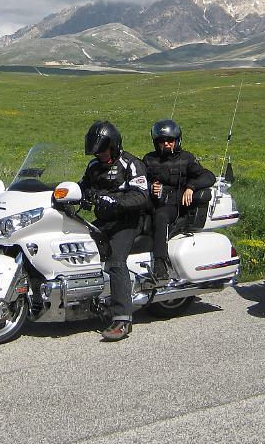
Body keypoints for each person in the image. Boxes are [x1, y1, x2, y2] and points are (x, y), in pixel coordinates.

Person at [79, 120, 149, 342]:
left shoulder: (131, 164)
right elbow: (83, 187)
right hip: (104, 222)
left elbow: (141, 195)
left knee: (116, 261)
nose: (99, 155)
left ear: (115, 145)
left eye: (103, 150)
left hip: (128, 222)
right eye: (96, 151)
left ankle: (122, 319)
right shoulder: (93, 166)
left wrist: (116, 202)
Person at [143, 119, 216, 282]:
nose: (167, 144)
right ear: (156, 143)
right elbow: (139, 180)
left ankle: (161, 265)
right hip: (153, 202)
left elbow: (208, 176)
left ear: (177, 140)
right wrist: (150, 186)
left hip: (174, 206)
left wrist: (191, 186)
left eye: (170, 140)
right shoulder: (149, 159)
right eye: (162, 141)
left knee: (161, 217)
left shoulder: (186, 158)